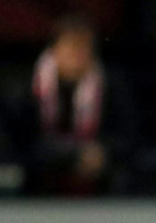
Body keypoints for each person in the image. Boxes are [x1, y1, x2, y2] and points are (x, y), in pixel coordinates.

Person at [17, 15, 135, 195]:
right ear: (55, 49)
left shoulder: (111, 85)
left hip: (96, 170)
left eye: (85, 47)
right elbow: (22, 138)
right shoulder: (31, 85)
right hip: (44, 169)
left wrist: (101, 151)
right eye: (72, 46)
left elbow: (126, 134)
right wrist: (71, 155)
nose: (78, 54)